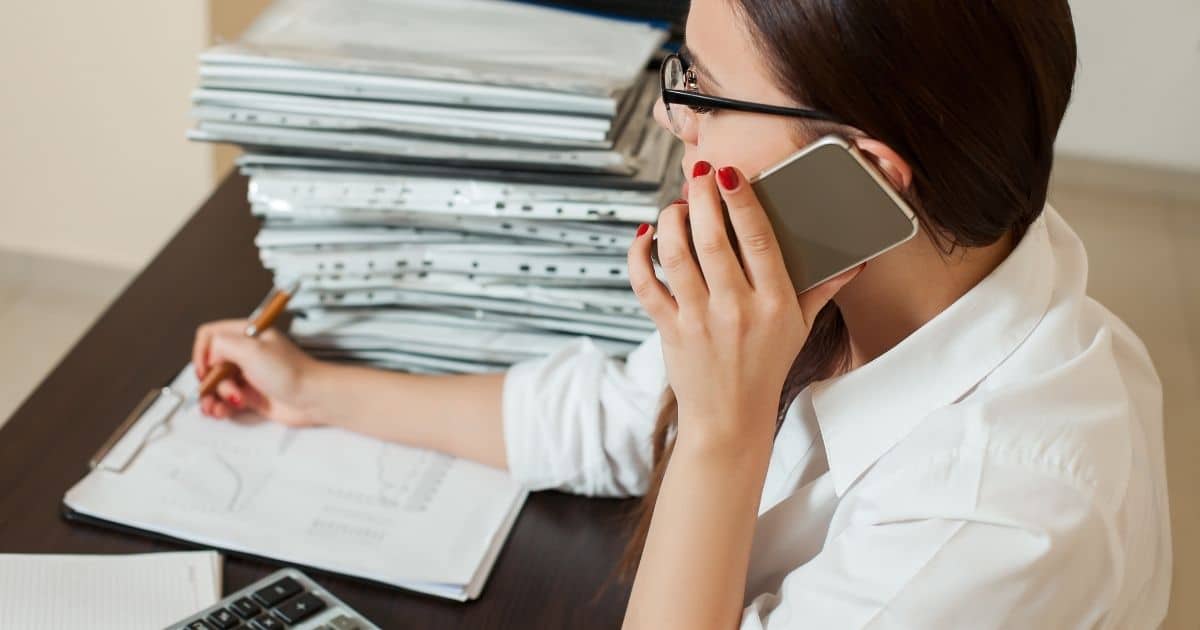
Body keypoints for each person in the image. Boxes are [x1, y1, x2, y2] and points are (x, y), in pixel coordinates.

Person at [192, 1, 1172, 627]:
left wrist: (723, 427)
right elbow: (614, 416)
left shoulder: (1002, 516)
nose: (673, 119)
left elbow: (681, 430)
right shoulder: (887, 267)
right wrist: (317, 389)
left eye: (701, 90)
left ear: (862, 179)